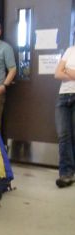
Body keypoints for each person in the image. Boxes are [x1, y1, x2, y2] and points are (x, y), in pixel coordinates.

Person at [53, 47, 75, 188]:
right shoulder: (70, 50)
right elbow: (57, 74)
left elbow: (62, 71)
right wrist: (69, 72)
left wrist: (66, 70)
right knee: (63, 136)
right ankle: (66, 174)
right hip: (63, 96)